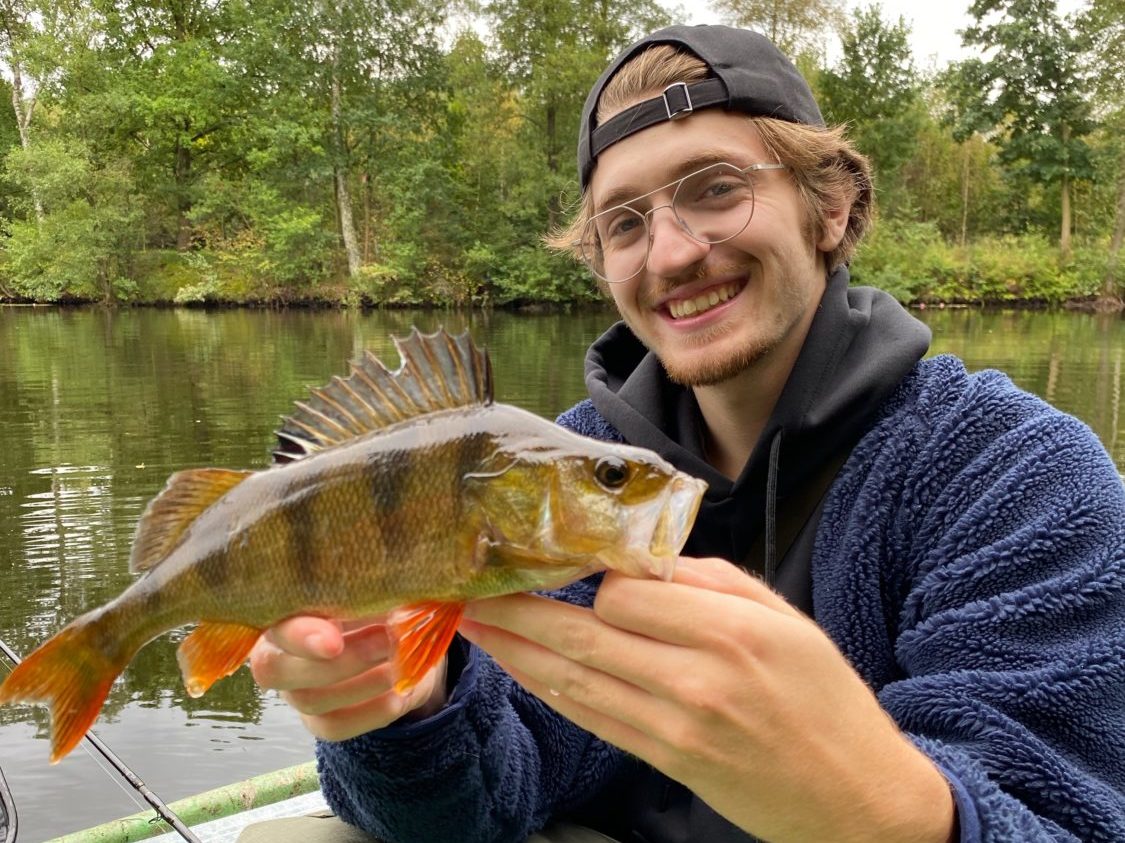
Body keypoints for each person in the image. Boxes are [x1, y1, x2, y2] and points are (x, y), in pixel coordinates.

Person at [240, 24, 1125, 843]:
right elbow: (482, 804)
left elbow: (1070, 812)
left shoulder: (1016, 474)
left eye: (715, 189)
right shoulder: (570, 476)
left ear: (831, 206)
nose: (669, 253)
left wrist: (887, 806)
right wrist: (409, 711)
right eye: (623, 223)